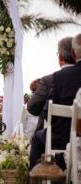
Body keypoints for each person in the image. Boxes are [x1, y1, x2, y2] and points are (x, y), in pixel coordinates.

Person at [29, 33, 81, 171]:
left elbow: (46, 112)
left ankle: (35, 181)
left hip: (62, 138)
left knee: (38, 137)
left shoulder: (57, 78)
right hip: (76, 137)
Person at [27, 37, 76, 133]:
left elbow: (32, 108)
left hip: (53, 138)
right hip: (78, 137)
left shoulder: (48, 80)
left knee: (36, 140)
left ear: (60, 57)